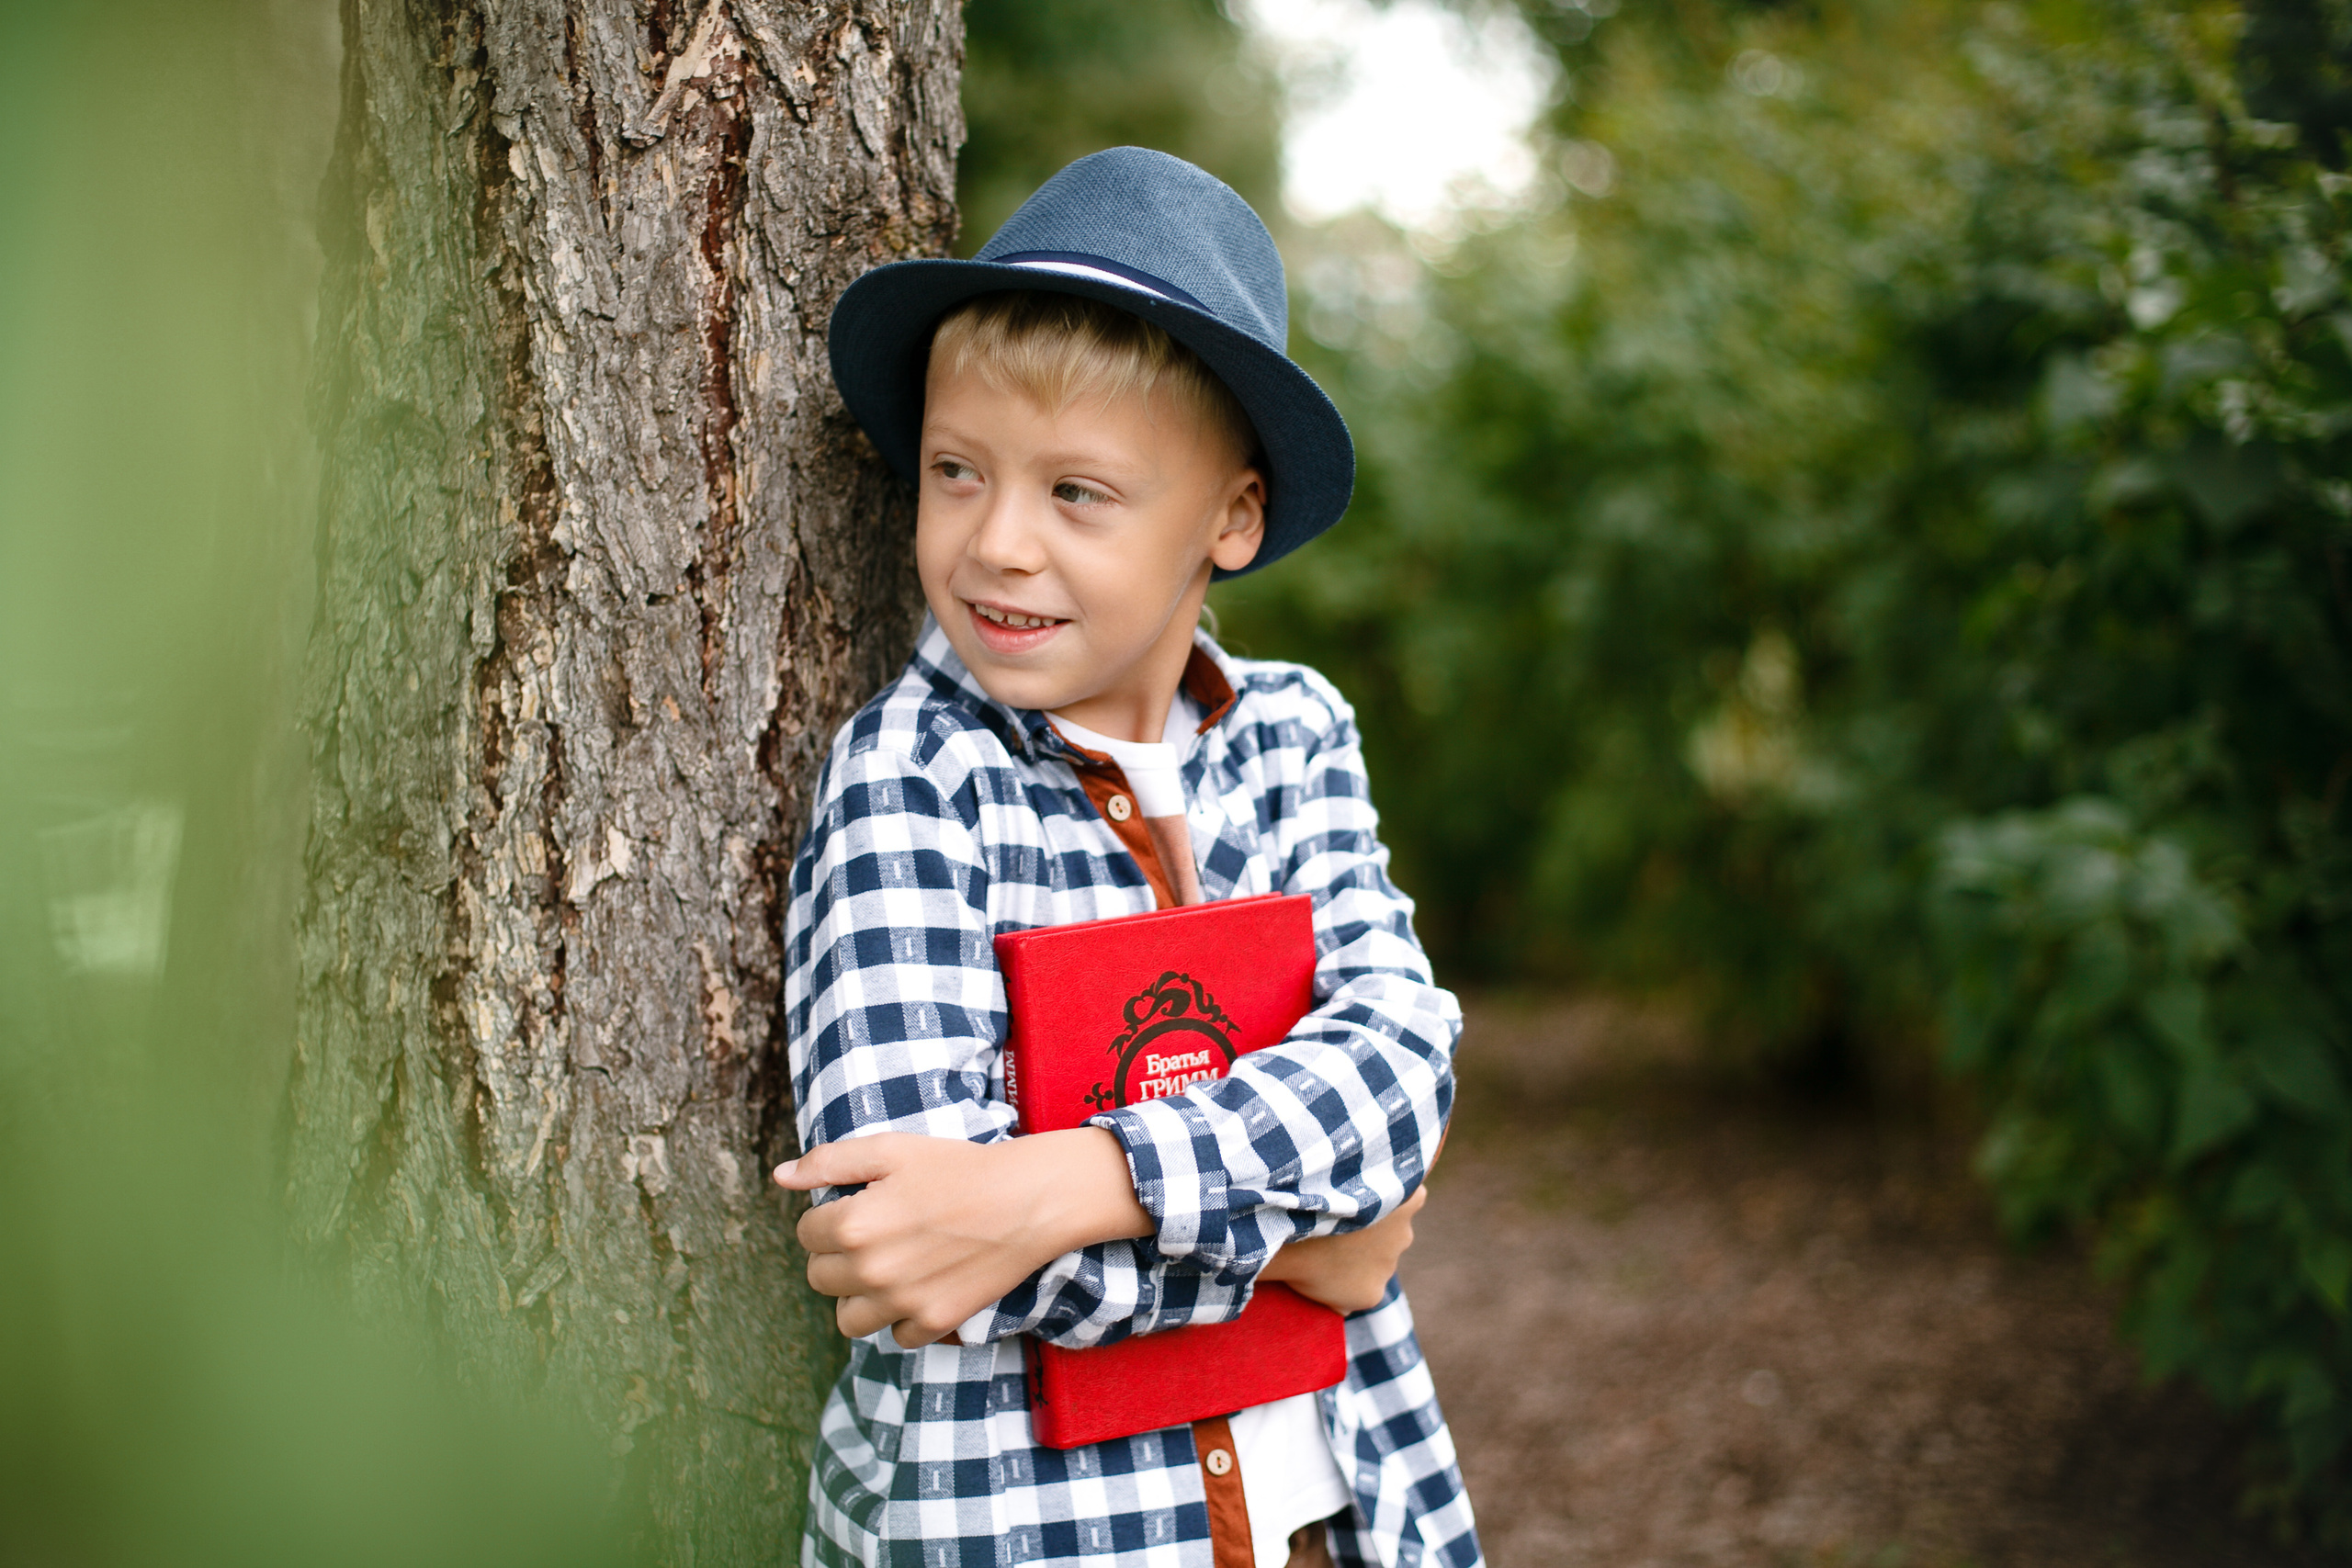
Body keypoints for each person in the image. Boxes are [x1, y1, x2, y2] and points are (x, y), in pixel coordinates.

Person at [773, 146, 1480, 1568]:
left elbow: (1402, 1066)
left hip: (1338, 1506)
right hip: (1048, 1528)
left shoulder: (1290, 737)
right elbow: (907, 1244)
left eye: (1078, 494)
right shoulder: (916, 780)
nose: (998, 545)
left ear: (1230, 516)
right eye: (955, 472)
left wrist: (1058, 1191)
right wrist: (1303, 1251)